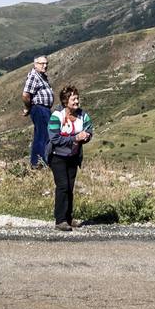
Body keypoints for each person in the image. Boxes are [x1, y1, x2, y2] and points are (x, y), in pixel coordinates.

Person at [45, 85, 93, 232]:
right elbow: (54, 138)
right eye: (73, 99)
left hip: (73, 157)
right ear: (66, 101)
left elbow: (89, 129)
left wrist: (86, 137)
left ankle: (68, 217)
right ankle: (60, 220)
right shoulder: (56, 116)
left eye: (77, 98)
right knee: (63, 186)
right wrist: (75, 138)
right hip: (57, 156)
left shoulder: (83, 115)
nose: (77, 101)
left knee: (70, 187)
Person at [22, 56, 53, 169]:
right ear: (35, 64)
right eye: (42, 63)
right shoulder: (34, 76)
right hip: (39, 109)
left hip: (44, 109)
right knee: (43, 135)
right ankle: (39, 163)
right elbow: (26, 95)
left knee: (41, 135)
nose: (45, 65)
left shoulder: (42, 76)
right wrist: (28, 107)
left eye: (46, 63)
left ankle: (38, 162)